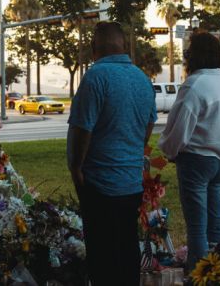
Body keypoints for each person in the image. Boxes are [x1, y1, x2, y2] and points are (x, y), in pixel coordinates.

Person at [67, 21, 158, 286]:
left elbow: (83, 129)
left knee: (102, 255)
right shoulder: (142, 79)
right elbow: (149, 123)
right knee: (128, 247)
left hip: (99, 183)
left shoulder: (96, 77)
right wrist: (132, 150)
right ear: (125, 47)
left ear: (94, 47)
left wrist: (76, 167)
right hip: (130, 182)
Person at [157, 31, 220, 271]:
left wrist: (169, 151)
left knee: (196, 227)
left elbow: (180, 125)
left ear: (194, 55)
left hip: (195, 161)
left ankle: (198, 274)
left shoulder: (194, 85)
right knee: (216, 225)